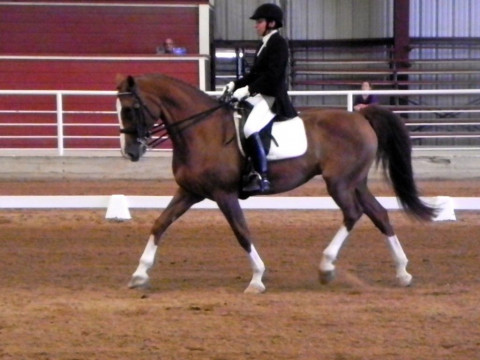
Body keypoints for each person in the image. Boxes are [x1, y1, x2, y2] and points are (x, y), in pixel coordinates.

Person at [224, 3, 297, 194]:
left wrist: (247, 89)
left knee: (249, 128)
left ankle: (260, 176)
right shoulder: (263, 45)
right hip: (259, 95)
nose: (256, 25)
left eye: (259, 22)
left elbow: (272, 76)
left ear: (271, 23)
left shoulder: (278, 44)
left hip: (272, 97)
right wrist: (235, 85)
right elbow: (254, 74)